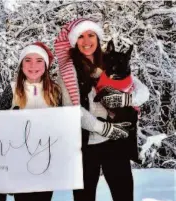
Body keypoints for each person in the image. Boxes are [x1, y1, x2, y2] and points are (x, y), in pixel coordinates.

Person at [54, 18, 150, 201]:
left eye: (91, 35)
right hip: (86, 145)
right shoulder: (68, 70)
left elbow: (143, 92)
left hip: (116, 144)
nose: (86, 41)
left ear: (98, 38)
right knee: (84, 198)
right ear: (74, 41)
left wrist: (124, 98)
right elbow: (74, 110)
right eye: (81, 36)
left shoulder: (111, 62)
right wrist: (106, 129)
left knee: (123, 195)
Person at [0, 42, 61, 201]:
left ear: (45, 65)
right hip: (19, 164)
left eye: (39, 60)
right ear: (21, 64)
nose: (33, 65)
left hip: (46, 163)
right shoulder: (11, 90)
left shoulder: (55, 91)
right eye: (28, 60)